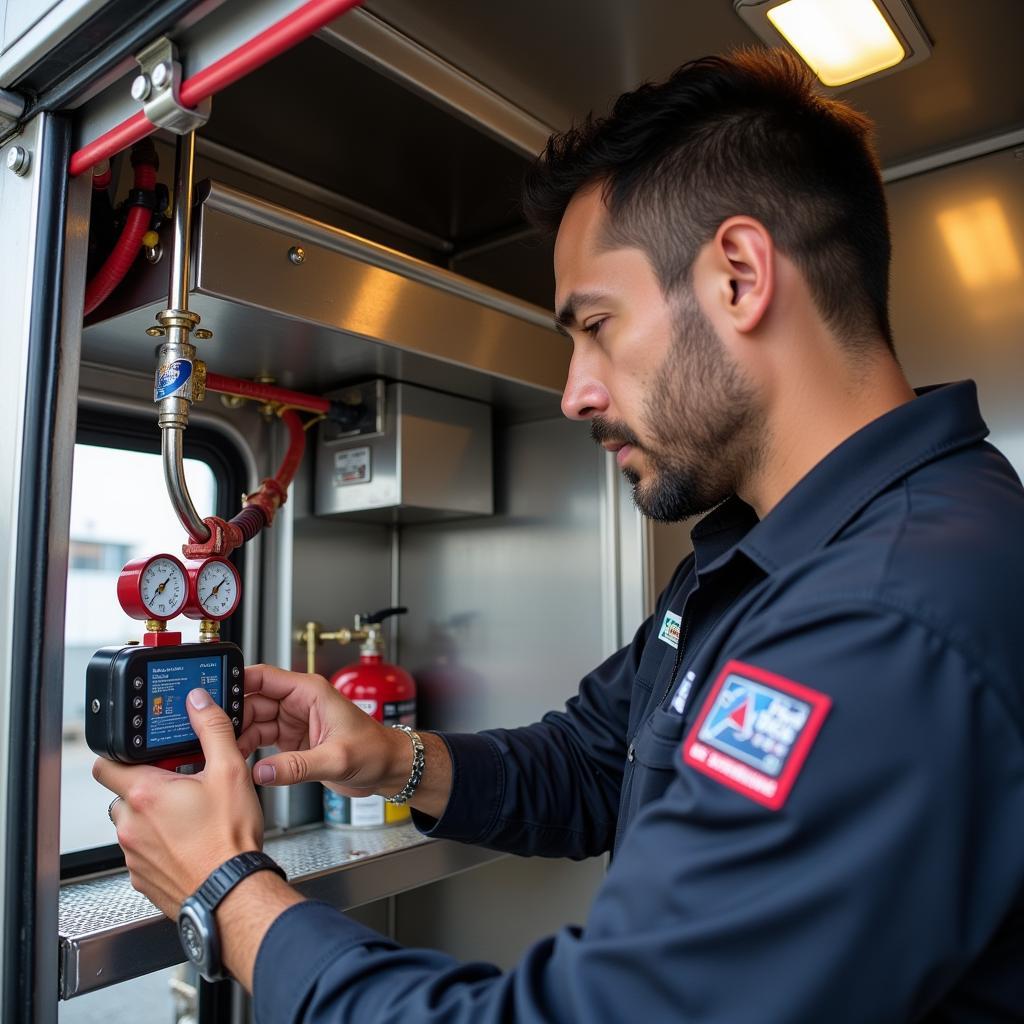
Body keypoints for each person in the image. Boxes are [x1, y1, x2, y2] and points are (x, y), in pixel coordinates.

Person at [95, 48, 1024, 1022]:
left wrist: (229, 893)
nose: (576, 390)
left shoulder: (887, 613)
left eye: (596, 324)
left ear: (740, 277)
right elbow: (594, 760)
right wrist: (390, 757)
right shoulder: (764, 556)